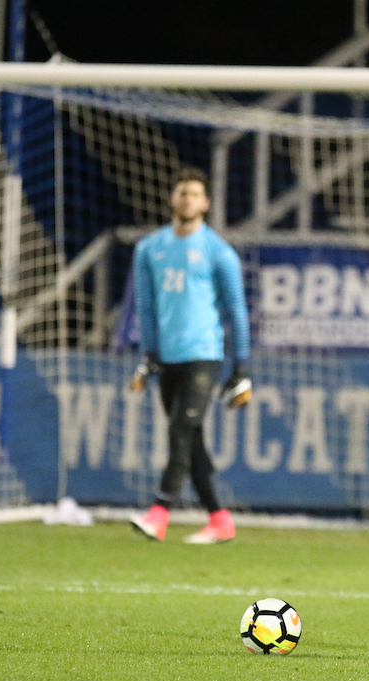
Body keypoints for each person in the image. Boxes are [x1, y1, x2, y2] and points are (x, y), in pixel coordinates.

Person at [129, 167, 253, 544]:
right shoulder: (149, 249)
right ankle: (219, 519)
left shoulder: (218, 252)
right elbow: (146, 309)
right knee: (191, 439)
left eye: (195, 194)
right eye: (182, 192)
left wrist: (241, 368)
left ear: (206, 203)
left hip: (204, 354)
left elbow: (237, 310)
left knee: (181, 429)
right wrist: (149, 355)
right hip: (167, 357)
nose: (187, 199)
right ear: (173, 199)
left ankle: (159, 510)